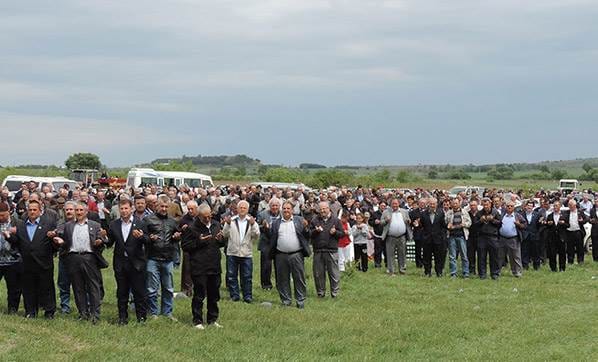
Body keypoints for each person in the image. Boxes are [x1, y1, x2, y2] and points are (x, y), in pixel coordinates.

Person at [53, 201, 108, 323]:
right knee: (78, 287)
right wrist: (61, 242)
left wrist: (100, 241)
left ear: (86, 211)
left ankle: (95, 315)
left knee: (93, 287)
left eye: (81, 210)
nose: (78, 213)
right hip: (73, 258)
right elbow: (66, 242)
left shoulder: (95, 225)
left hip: (89, 258)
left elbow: (103, 241)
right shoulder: (69, 226)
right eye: (76, 210)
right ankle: (83, 313)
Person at [6, 200, 59, 318]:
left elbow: (54, 244)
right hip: (26, 263)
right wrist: (9, 237)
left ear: (40, 211)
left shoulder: (48, 224)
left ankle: (49, 312)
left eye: (35, 209)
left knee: (47, 288)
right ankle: (30, 311)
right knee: (28, 288)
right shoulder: (21, 225)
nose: (32, 212)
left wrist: (55, 239)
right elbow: (17, 242)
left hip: (43, 262)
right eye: (30, 210)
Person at [105, 198, 149, 325]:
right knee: (122, 292)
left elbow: (148, 240)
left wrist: (141, 237)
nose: (124, 211)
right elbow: (110, 243)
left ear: (132, 209)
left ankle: (141, 318)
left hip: (136, 263)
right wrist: (104, 238)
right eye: (122, 209)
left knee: (139, 292)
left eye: (126, 208)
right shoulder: (114, 224)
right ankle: (122, 318)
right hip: (120, 263)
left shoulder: (140, 223)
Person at [182, 204, 225, 329]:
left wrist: (221, 239)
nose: (207, 219)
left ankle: (212, 319)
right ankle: (197, 320)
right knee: (199, 295)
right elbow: (185, 246)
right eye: (204, 217)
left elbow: (221, 243)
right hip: (199, 266)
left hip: (214, 264)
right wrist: (199, 242)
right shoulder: (191, 227)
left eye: (209, 216)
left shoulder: (216, 224)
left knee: (214, 294)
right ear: (199, 216)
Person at [144, 195, 180, 319]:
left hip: (168, 258)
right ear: (156, 206)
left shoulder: (172, 221)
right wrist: (150, 238)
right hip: (152, 258)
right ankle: (153, 312)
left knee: (168, 288)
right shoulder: (148, 220)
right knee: (152, 288)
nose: (164, 209)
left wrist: (177, 237)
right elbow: (142, 237)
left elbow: (177, 236)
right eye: (161, 206)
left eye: (166, 206)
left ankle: (167, 312)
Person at [269, 201, 311, 308]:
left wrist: (306, 228)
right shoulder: (276, 223)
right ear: (281, 210)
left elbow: (307, 235)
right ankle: (286, 300)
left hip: (296, 254)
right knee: (282, 279)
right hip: (280, 255)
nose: (286, 210)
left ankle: (300, 301)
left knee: (299, 278)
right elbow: (272, 238)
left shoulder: (299, 220)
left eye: (288, 208)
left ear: (292, 210)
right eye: (284, 208)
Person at [222, 200, 260, 303]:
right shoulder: (232, 220)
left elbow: (256, 236)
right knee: (231, 275)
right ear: (237, 209)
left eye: (244, 208)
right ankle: (234, 295)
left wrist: (252, 225)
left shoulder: (251, 221)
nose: (242, 209)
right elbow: (224, 234)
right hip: (232, 252)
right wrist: (228, 224)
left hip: (246, 253)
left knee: (247, 276)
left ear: (247, 210)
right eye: (240, 207)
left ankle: (247, 296)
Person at [310, 201, 344, 298]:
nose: (322, 211)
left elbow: (342, 234)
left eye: (324, 208)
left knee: (334, 274)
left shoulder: (336, 220)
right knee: (318, 274)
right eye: (320, 209)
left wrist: (335, 232)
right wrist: (315, 231)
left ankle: (335, 294)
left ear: (329, 209)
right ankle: (320, 294)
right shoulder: (314, 220)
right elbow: (309, 234)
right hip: (318, 251)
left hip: (331, 250)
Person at [380, 198, 412, 275]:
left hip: (402, 237)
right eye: (393, 204)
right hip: (390, 237)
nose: (394, 205)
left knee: (402, 254)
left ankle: (402, 270)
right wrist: (386, 221)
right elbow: (381, 223)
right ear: (391, 204)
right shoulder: (386, 212)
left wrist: (409, 221)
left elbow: (408, 220)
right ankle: (391, 271)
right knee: (390, 254)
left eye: (396, 203)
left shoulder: (404, 211)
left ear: (399, 204)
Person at [0, 202, 22, 314]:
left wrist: (11, 236)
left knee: (14, 288)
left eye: (3, 215)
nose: (1, 218)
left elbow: (22, 241)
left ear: (9, 212)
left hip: (13, 260)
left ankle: (12, 309)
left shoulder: (18, 224)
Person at [256, 198, 281, 290]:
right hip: (266, 242)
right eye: (272, 205)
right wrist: (263, 226)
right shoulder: (262, 214)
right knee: (266, 265)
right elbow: (256, 227)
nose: (274, 207)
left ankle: (280, 284)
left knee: (279, 265)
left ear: (279, 206)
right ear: (269, 206)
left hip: (279, 242)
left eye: (276, 205)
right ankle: (266, 285)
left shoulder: (282, 214)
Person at [498, 201, 526, 278]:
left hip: (513, 239)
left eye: (511, 206)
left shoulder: (518, 216)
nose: (509, 207)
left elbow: (524, 225)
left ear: (514, 208)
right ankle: (497, 271)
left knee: (516, 256)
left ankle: (517, 272)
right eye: (508, 206)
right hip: (502, 238)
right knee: (500, 256)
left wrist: (519, 224)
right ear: (505, 207)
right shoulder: (502, 215)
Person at [476, 198, 502, 280]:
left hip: (492, 237)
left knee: (494, 257)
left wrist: (492, 220)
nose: (486, 206)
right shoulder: (479, 213)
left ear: (490, 204)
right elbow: (474, 225)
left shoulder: (495, 212)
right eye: (484, 205)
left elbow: (500, 224)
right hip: (482, 237)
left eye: (487, 204)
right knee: (481, 256)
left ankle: (494, 274)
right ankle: (482, 274)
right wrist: (480, 221)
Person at [420, 198, 447, 277]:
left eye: (434, 204)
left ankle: (439, 272)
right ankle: (427, 272)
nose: (432, 205)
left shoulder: (441, 213)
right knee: (426, 257)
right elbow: (422, 226)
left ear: (436, 204)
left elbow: (443, 226)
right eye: (431, 204)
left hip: (438, 239)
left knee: (438, 257)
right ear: (428, 204)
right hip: (427, 239)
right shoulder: (423, 214)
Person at [445, 198, 472, 278]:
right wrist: (448, 226)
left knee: (464, 255)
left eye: (456, 203)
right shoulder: (449, 213)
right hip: (452, 236)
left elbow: (469, 223)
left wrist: (464, 225)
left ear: (459, 204)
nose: (455, 205)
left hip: (461, 236)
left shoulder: (464, 212)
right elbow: (445, 222)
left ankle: (466, 273)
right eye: (453, 203)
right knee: (452, 256)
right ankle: (453, 273)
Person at [178, 200, 199, 297]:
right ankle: (186, 290)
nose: (190, 211)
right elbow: (178, 231)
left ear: (196, 208)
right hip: (187, 246)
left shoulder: (200, 218)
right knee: (187, 269)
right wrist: (182, 229)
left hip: (199, 246)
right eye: (188, 209)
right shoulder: (184, 219)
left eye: (192, 209)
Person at [543, 201, 567, 272]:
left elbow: (568, 225)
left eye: (556, 206)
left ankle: (562, 268)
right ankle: (553, 268)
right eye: (554, 206)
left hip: (561, 237)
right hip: (552, 237)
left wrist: (563, 223)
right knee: (552, 254)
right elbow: (546, 226)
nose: (555, 207)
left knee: (562, 254)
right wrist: (548, 223)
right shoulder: (550, 215)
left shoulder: (564, 215)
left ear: (560, 206)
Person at [520, 200, 543, 270]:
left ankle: (536, 266)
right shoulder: (521, 214)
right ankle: (525, 266)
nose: (529, 207)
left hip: (534, 236)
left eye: (531, 206)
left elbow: (539, 225)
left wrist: (540, 222)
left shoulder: (537, 214)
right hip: (525, 235)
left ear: (533, 207)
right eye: (528, 206)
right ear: (525, 206)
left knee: (535, 252)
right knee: (525, 251)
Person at [565, 200, 588, 264]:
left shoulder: (580, 212)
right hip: (569, 232)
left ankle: (580, 260)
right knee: (570, 248)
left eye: (571, 205)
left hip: (578, 232)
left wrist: (582, 221)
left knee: (580, 247)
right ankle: (570, 261)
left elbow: (586, 220)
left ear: (575, 206)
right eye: (569, 205)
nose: (570, 207)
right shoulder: (566, 212)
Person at [589, 197, 598, 262]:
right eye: (595, 201)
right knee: (594, 244)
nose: (596, 203)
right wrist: (591, 220)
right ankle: (595, 258)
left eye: (597, 201)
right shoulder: (592, 210)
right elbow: (590, 219)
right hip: (594, 229)